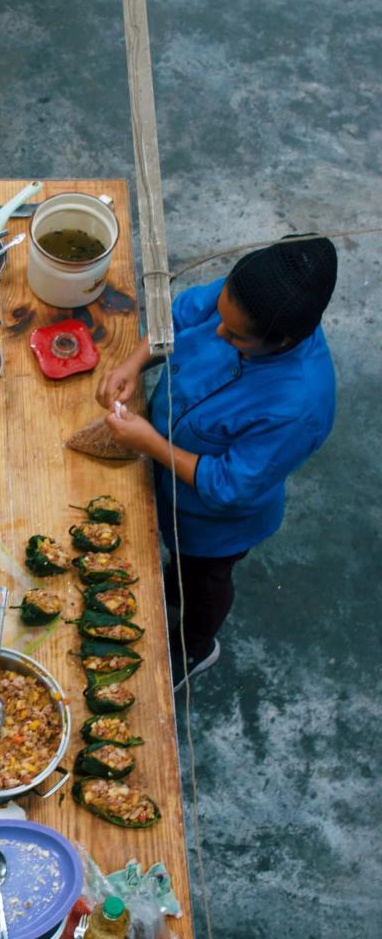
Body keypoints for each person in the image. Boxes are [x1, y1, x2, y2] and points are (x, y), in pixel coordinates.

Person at [97, 235, 337, 690]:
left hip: (215, 522)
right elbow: (185, 313)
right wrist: (133, 364)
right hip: (164, 475)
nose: (220, 334)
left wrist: (149, 441)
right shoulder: (247, 298)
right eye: (223, 319)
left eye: (236, 335)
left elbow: (228, 484)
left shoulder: (299, 405)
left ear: (283, 340)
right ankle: (172, 585)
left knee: (203, 581)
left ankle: (196, 648)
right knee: (170, 567)